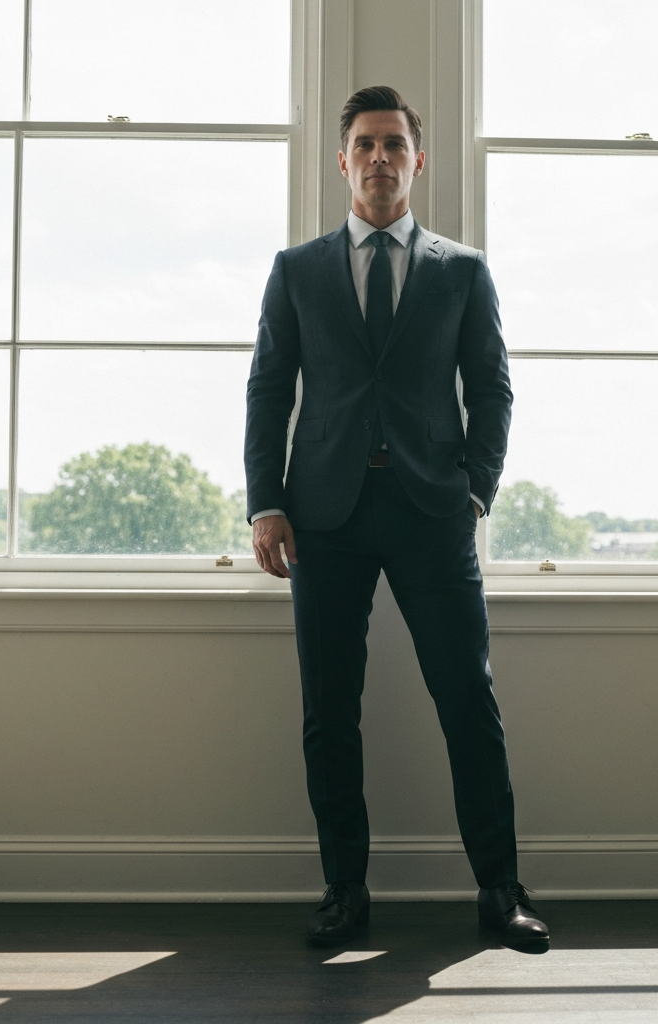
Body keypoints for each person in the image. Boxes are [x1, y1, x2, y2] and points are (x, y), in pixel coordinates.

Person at [244, 85, 547, 947]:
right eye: (366, 145)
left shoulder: (462, 269)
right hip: (323, 520)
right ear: (343, 161)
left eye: (395, 145)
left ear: (419, 160)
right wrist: (266, 501)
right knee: (329, 711)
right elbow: (269, 390)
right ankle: (346, 891)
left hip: (430, 514)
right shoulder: (296, 270)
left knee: (467, 700)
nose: (380, 158)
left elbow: (492, 389)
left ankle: (500, 891)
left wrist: (476, 491)